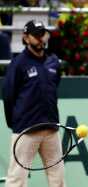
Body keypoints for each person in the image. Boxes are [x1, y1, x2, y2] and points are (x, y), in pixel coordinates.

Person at [2, 20, 66, 187]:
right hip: (26, 129)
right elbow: (8, 96)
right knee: (17, 179)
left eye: (42, 35)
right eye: (36, 36)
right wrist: (15, 123)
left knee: (58, 179)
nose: (40, 39)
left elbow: (53, 89)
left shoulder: (53, 62)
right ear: (26, 37)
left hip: (51, 128)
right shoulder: (18, 64)